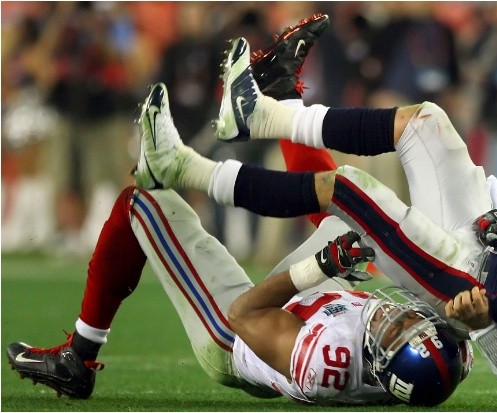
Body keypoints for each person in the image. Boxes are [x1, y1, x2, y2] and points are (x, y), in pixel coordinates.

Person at [137, 34, 497, 408]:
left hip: (466, 280)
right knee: (426, 122)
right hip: (492, 234)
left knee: (352, 191)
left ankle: (183, 166)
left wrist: (482, 329)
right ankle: (256, 114)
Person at [6, 15, 468, 407]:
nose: (398, 317)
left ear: (381, 363)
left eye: (397, 332)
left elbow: (247, 312)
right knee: (352, 206)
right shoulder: (446, 359)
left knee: (141, 201)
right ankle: (280, 96)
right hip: (312, 309)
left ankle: (78, 358)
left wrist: (317, 268)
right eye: (409, 321)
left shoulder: (329, 364)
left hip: (242, 334)